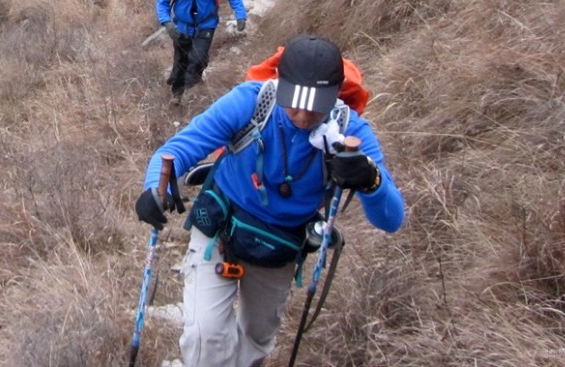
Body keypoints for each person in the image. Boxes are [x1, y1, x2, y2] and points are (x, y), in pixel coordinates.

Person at [135, 35, 405, 367]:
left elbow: (391, 219)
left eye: (315, 107)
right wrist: (154, 189)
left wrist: (370, 178)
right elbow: (177, 150)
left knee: (256, 340)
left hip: (279, 246)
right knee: (205, 337)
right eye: (294, 103)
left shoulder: (351, 134)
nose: (303, 116)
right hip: (219, 230)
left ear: (336, 94)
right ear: (279, 83)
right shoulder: (250, 103)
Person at [157, 0, 247, 105]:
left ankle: (191, 89)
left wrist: (240, 15)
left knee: (198, 58)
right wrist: (167, 23)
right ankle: (177, 94)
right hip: (182, 25)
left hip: (206, 23)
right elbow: (162, 2)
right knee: (181, 60)